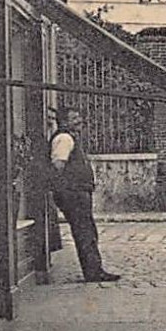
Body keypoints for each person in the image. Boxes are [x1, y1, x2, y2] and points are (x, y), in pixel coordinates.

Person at [47, 110, 120, 283]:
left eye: (79, 117)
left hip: (77, 192)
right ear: (64, 122)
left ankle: (95, 269)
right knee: (84, 231)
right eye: (73, 118)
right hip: (73, 193)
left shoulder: (69, 137)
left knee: (87, 231)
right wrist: (65, 189)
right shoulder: (64, 139)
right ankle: (93, 272)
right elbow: (58, 165)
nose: (79, 120)